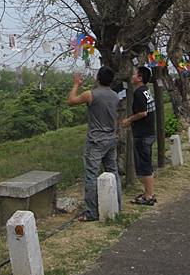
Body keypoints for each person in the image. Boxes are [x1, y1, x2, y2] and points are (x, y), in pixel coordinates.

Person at [67, 66, 122, 222]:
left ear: (98, 78)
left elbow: (71, 101)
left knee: (91, 175)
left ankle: (91, 212)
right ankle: (117, 204)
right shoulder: (115, 96)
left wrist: (76, 84)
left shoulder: (90, 94)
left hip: (96, 140)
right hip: (111, 139)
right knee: (113, 172)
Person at [122, 65, 156, 206]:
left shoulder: (138, 93)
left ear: (140, 78)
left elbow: (143, 113)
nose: (132, 76)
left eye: (134, 74)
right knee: (146, 162)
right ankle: (149, 192)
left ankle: (148, 196)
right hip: (149, 131)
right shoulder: (146, 91)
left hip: (143, 134)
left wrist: (128, 120)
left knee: (144, 165)